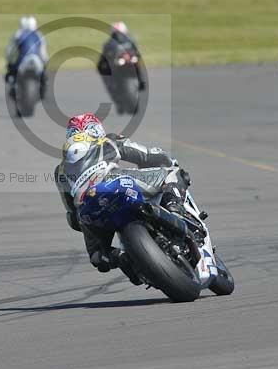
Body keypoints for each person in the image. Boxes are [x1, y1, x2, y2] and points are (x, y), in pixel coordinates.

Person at [54, 113, 190, 277]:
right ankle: (174, 208)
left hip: (87, 208)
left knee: (98, 256)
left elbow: (72, 217)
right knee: (173, 174)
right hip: (115, 182)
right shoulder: (108, 140)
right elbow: (146, 155)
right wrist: (168, 160)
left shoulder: (60, 170)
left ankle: (123, 258)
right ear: (97, 129)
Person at [5, 16, 48, 98]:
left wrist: (9, 62)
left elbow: (10, 50)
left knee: (11, 73)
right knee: (43, 75)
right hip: (36, 61)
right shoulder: (39, 35)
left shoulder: (18, 34)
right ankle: (43, 90)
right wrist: (45, 62)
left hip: (22, 61)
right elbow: (43, 53)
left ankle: (13, 86)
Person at [96, 22, 146, 91]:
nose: (119, 36)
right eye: (116, 34)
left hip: (129, 60)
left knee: (136, 62)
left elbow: (137, 52)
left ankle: (140, 80)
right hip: (116, 62)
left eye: (120, 33)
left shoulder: (131, 41)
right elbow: (103, 57)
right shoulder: (108, 44)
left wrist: (133, 56)